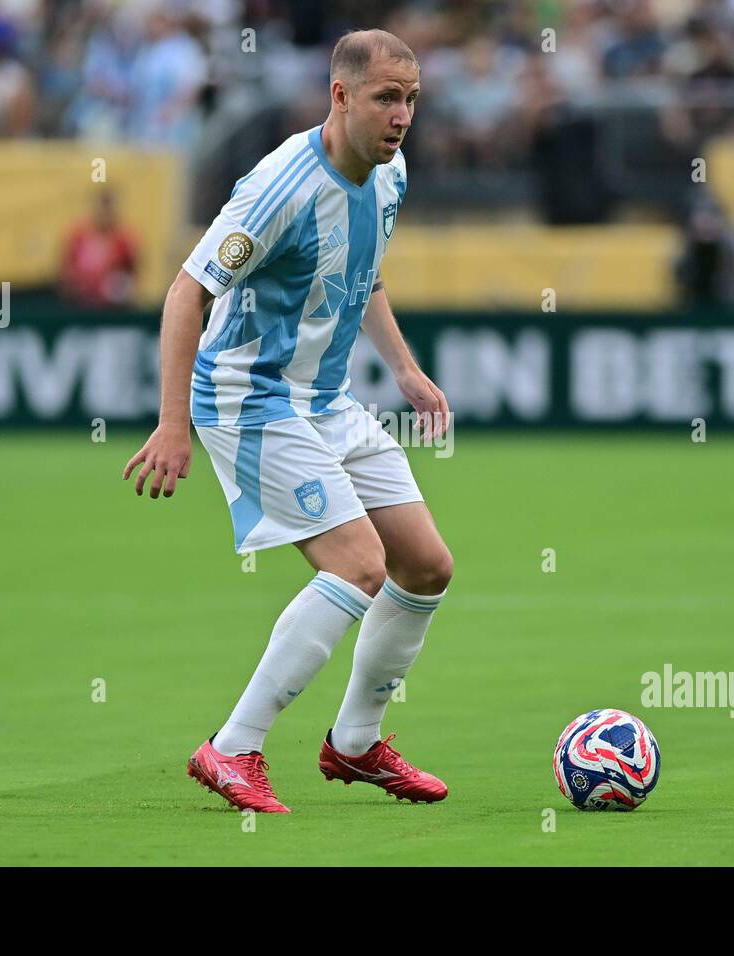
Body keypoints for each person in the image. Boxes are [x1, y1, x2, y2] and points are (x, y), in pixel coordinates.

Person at [122, 30, 453, 813]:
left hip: (325, 402)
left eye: (409, 98)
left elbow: (362, 275)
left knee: (426, 566)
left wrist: (404, 368)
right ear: (339, 97)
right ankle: (232, 748)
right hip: (249, 396)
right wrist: (174, 424)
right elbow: (184, 295)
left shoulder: (390, 172)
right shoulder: (280, 186)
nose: (401, 114)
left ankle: (355, 745)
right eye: (385, 97)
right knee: (357, 564)